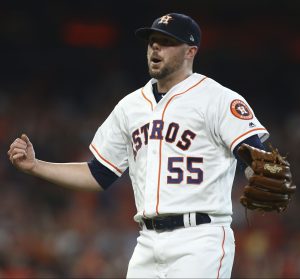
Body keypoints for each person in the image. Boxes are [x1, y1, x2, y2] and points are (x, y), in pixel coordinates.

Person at [8, 13, 270, 278]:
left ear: (190, 51)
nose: (155, 47)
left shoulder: (217, 99)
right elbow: (99, 174)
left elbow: (258, 157)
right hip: (147, 242)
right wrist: (35, 166)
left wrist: (259, 171)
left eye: (167, 42)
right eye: (152, 41)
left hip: (200, 239)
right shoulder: (130, 107)